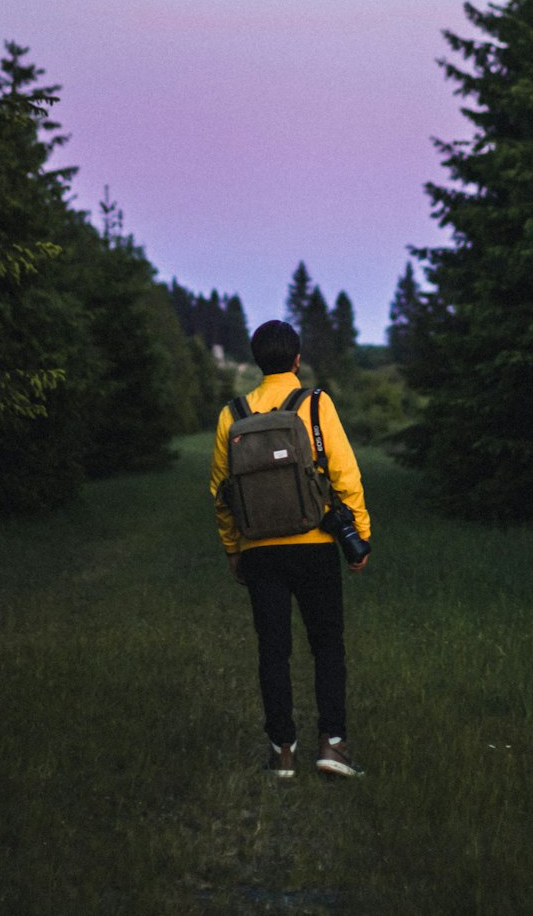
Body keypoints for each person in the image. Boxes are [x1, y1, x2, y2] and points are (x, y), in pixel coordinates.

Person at [210, 318, 371, 778]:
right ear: (297, 359)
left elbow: (221, 492)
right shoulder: (316, 405)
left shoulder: (233, 414)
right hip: (316, 544)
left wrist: (233, 548)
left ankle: (282, 751)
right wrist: (359, 538)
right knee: (327, 645)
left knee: (273, 650)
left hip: (260, 549)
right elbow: (345, 475)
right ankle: (332, 746)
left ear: (259, 362)